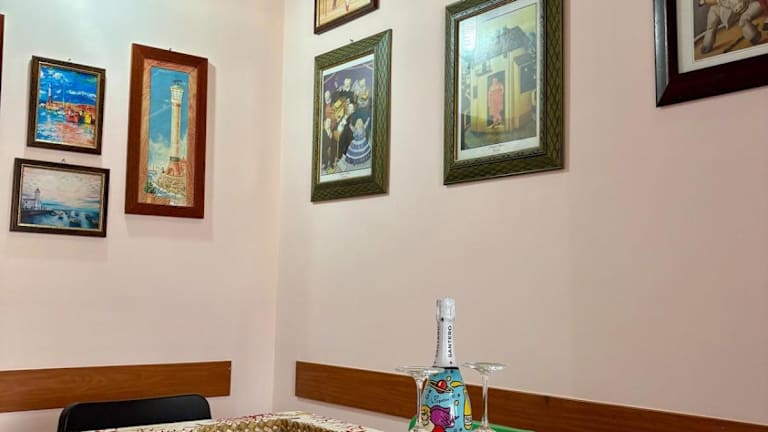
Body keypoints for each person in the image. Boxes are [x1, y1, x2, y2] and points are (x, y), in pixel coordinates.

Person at [699, 0, 764, 54]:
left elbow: (738, 5)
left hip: (751, 5)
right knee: (712, 17)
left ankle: (754, 37)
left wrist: (706, 1)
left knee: (744, 21)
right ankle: (707, 45)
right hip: (732, 7)